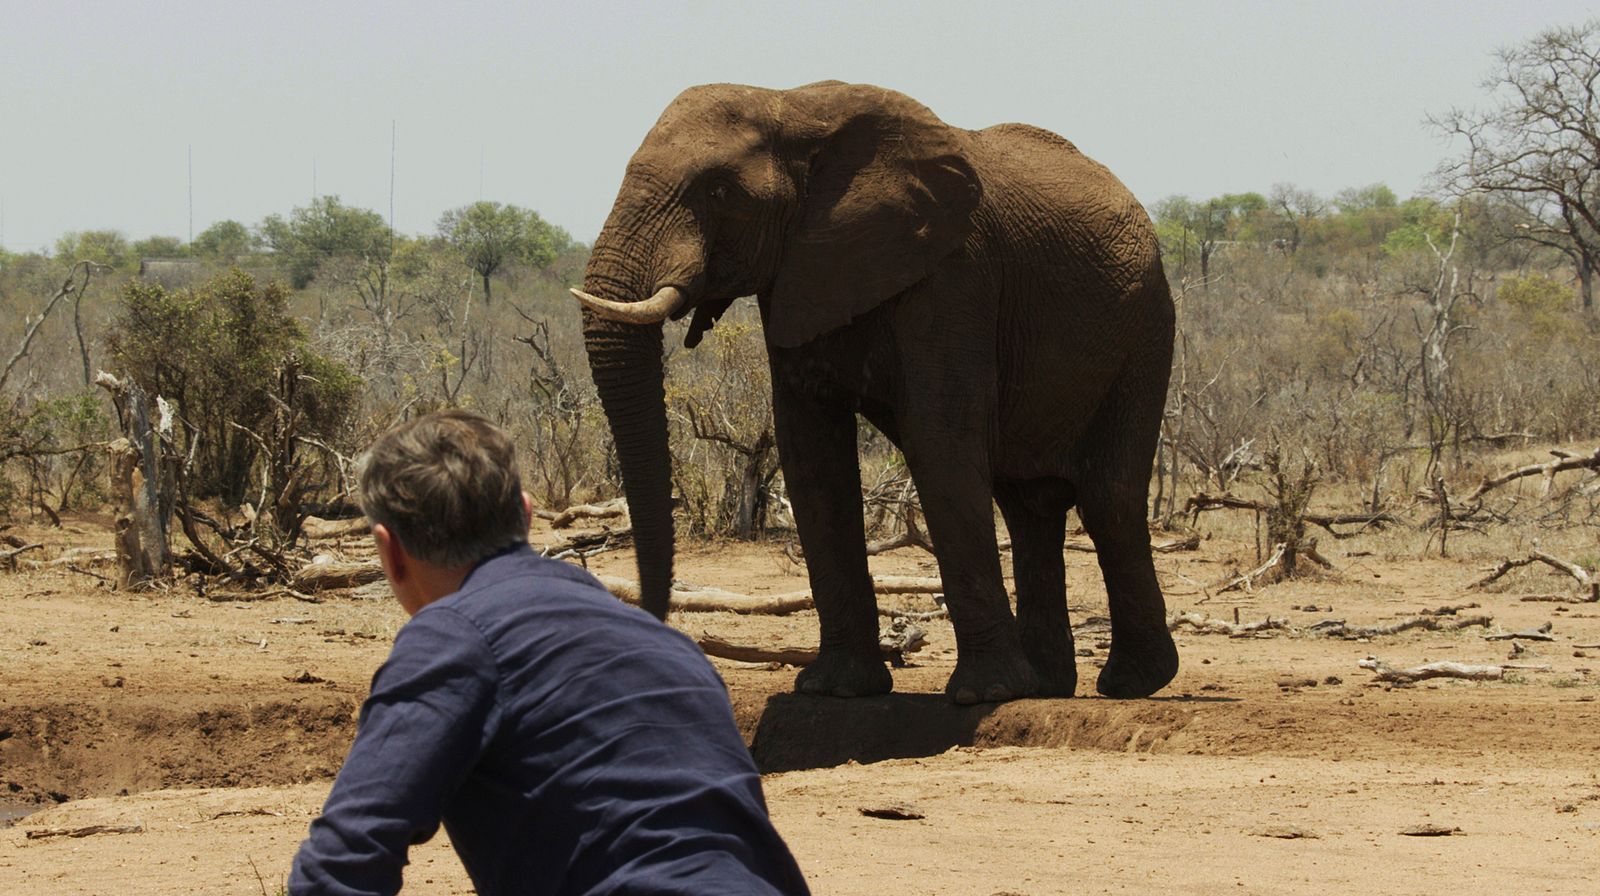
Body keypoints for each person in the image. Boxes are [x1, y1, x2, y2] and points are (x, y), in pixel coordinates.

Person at [289, 410, 810, 896]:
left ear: (389, 549)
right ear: (526, 514)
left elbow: (341, 864)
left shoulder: (455, 634)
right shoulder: (671, 647)